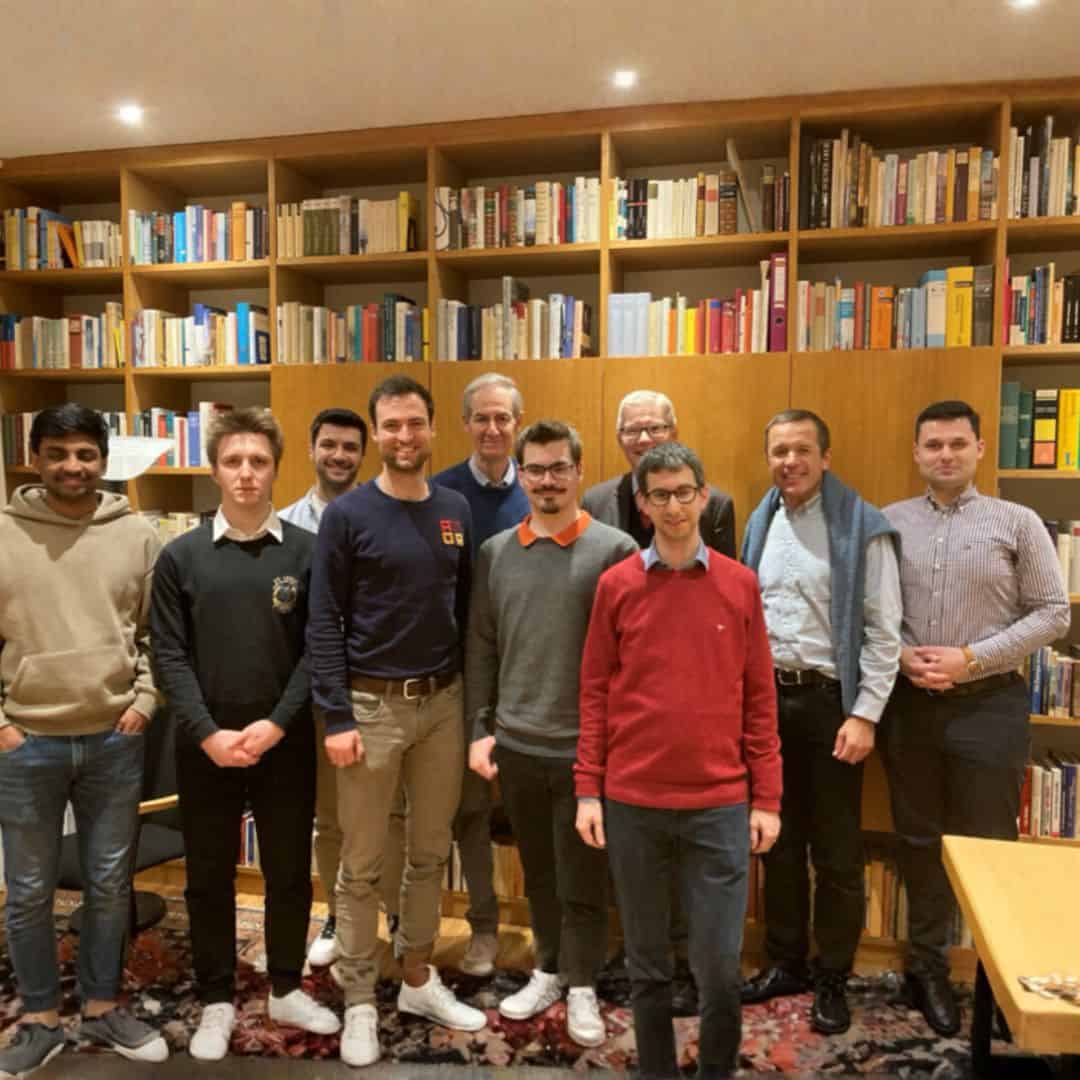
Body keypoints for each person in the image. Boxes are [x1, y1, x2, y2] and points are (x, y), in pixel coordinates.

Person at [575, 441, 781, 1080]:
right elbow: (595, 692)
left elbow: (759, 698)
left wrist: (767, 798)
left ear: (704, 496)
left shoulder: (739, 585)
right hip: (632, 803)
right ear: (642, 504)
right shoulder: (616, 586)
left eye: (684, 492)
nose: (673, 507)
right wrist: (588, 789)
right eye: (659, 495)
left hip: (719, 805)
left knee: (718, 968)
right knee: (647, 966)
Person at [151, 407, 339, 1061]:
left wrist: (277, 722)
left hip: (284, 741)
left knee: (288, 872)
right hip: (204, 745)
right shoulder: (180, 557)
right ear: (214, 470)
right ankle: (217, 998)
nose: (246, 473)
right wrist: (208, 733)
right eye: (233, 461)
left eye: (259, 461)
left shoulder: (308, 552)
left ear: (276, 468)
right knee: (207, 876)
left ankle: (286, 985)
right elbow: (168, 655)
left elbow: (319, 647)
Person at [308, 374, 485, 1068]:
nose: (404, 437)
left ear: (432, 428)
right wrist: (335, 715)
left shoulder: (454, 509)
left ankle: (415, 975)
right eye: (391, 425)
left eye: (415, 424)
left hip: (442, 705)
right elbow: (323, 619)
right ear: (376, 433)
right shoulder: (347, 515)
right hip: (369, 708)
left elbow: (462, 609)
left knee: (429, 853)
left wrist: (469, 706)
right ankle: (358, 996)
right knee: (361, 865)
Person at [881, 399, 1070, 1036]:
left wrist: (970, 659)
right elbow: (870, 609)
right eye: (933, 445)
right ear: (917, 453)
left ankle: (997, 982)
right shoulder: (889, 523)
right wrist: (901, 655)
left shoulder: (1017, 522)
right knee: (918, 842)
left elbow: (1053, 613)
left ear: (980, 449)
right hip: (909, 706)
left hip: (989, 706)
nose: (946, 455)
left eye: (958, 444)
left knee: (990, 850)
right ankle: (927, 969)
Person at [0, 403, 169, 1074]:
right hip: (27, 742)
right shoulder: (4, 533)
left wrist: (146, 702)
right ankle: (40, 1019)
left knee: (108, 884)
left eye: (85, 454)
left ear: (104, 460)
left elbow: (158, 634)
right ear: (34, 457)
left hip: (113, 739)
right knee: (28, 889)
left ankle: (101, 1008)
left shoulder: (139, 535)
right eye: (58, 452)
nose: (72, 466)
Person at [468, 419, 636, 1045]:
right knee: (539, 871)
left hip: (585, 750)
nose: (547, 480)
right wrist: (480, 728)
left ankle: (583, 985)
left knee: (583, 876)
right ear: (521, 475)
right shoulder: (495, 553)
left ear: (578, 471)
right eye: (535, 469)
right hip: (516, 745)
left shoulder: (615, 551)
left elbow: (631, 658)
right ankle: (548, 968)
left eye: (559, 467)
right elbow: (482, 648)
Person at [739, 409, 902, 1034]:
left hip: (834, 707)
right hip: (769, 705)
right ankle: (786, 962)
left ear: (825, 458)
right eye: (779, 451)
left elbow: (883, 633)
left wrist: (864, 715)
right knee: (776, 841)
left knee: (836, 853)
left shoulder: (863, 527)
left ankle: (832, 974)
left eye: (802, 450)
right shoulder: (762, 520)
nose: (790, 462)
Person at [431, 373, 529, 977]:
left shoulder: (541, 488)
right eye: (482, 418)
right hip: (461, 674)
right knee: (469, 810)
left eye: (503, 418)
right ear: (466, 423)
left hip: (530, 676)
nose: (493, 429)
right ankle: (485, 927)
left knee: (536, 813)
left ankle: (554, 934)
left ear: (518, 424)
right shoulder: (440, 494)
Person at [279, 407, 369, 972]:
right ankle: (337, 912)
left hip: (377, 687)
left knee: (390, 817)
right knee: (331, 818)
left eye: (350, 447)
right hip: (312, 696)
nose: (339, 456)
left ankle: (391, 914)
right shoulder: (284, 526)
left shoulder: (380, 515)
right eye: (329, 445)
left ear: (363, 454)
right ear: (311, 449)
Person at [582, 389, 735, 556]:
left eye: (655, 428)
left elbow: (724, 571)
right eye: (632, 430)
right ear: (619, 439)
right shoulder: (595, 503)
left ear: (674, 433)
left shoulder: (716, 506)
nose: (644, 439)